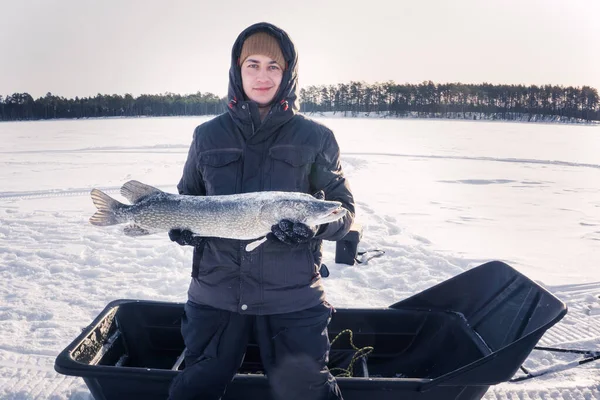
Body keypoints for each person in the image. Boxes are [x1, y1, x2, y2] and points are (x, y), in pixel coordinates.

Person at [167, 22, 354, 400]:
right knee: (197, 387)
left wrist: (314, 230)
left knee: (308, 392)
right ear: (237, 70)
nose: (262, 75)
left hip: (292, 298)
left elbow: (344, 213)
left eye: (274, 66)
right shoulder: (208, 135)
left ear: (288, 74)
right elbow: (187, 198)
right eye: (252, 64)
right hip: (215, 295)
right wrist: (181, 226)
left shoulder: (315, 137)